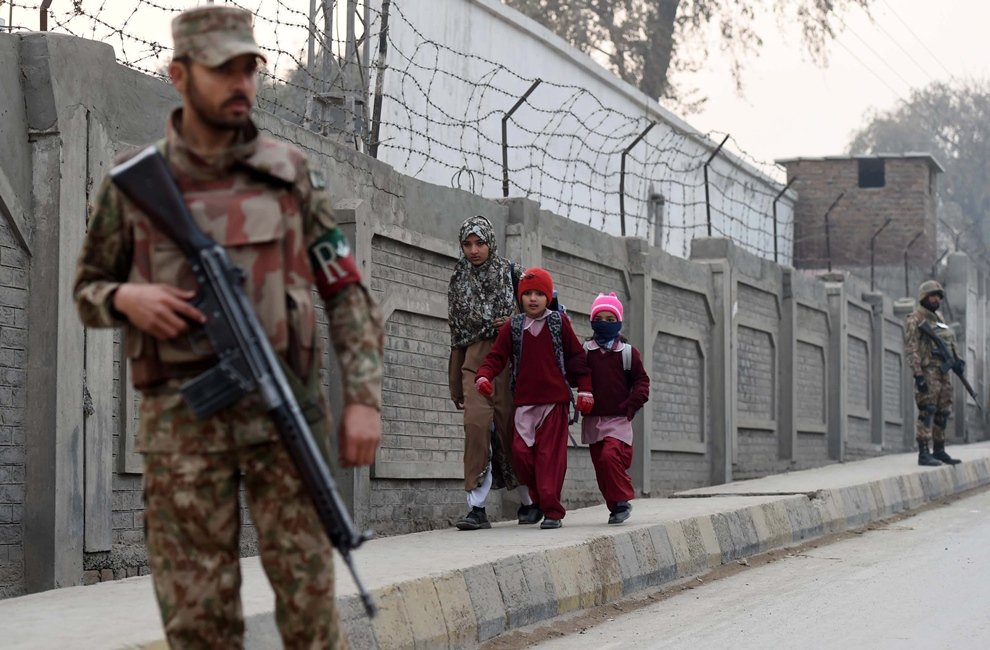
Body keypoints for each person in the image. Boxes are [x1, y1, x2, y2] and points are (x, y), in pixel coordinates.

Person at [73, 6, 384, 648]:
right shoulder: (134, 184)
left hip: (286, 419)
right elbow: (86, 291)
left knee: (310, 612)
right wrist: (128, 298)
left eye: (250, 67)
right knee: (198, 622)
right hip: (182, 430)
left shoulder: (292, 175)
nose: (241, 82)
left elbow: (347, 292)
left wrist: (362, 399)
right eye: (223, 70)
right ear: (180, 76)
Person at [474, 268, 593, 529]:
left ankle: (553, 512)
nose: (533, 299)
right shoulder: (513, 327)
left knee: (550, 459)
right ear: (521, 298)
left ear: (548, 296)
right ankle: (539, 500)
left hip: (554, 404)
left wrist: (585, 389)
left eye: (539, 293)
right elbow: (496, 357)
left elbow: (576, 358)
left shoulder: (558, 323)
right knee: (520, 454)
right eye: (527, 294)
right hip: (525, 405)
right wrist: (484, 376)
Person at [447, 216, 539, 530]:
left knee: (512, 434)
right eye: (468, 244)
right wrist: (455, 383)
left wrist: (514, 318)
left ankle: (530, 503)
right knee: (475, 429)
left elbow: (542, 305)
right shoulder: (458, 279)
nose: (474, 250)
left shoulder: (512, 273)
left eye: (480, 243)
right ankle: (476, 509)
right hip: (474, 366)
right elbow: (456, 336)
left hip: (510, 367)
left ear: (490, 243)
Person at [581, 293, 650, 524]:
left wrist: (631, 404)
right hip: (592, 419)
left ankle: (621, 500)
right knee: (601, 464)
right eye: (599, 318)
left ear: (619, 322)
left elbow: (642, 382)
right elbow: (574, 375)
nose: (604, 322)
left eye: (610, 319)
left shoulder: (628, 353)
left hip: (619, 419)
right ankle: (615, 507)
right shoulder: (585, 351)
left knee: (611, 455)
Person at [904, 280, 962, 467]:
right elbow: (911, 349)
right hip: (928, 372)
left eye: (938, 296)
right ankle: (923, 453)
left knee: (943, 412)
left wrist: (957, 360)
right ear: (924, 297)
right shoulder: (915, 320)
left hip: (943, 373)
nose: (936, 299)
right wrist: (918, 375)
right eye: (932, 295)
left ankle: (939, 449)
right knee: (927, 411)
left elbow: (949, 342)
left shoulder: (940, 321)